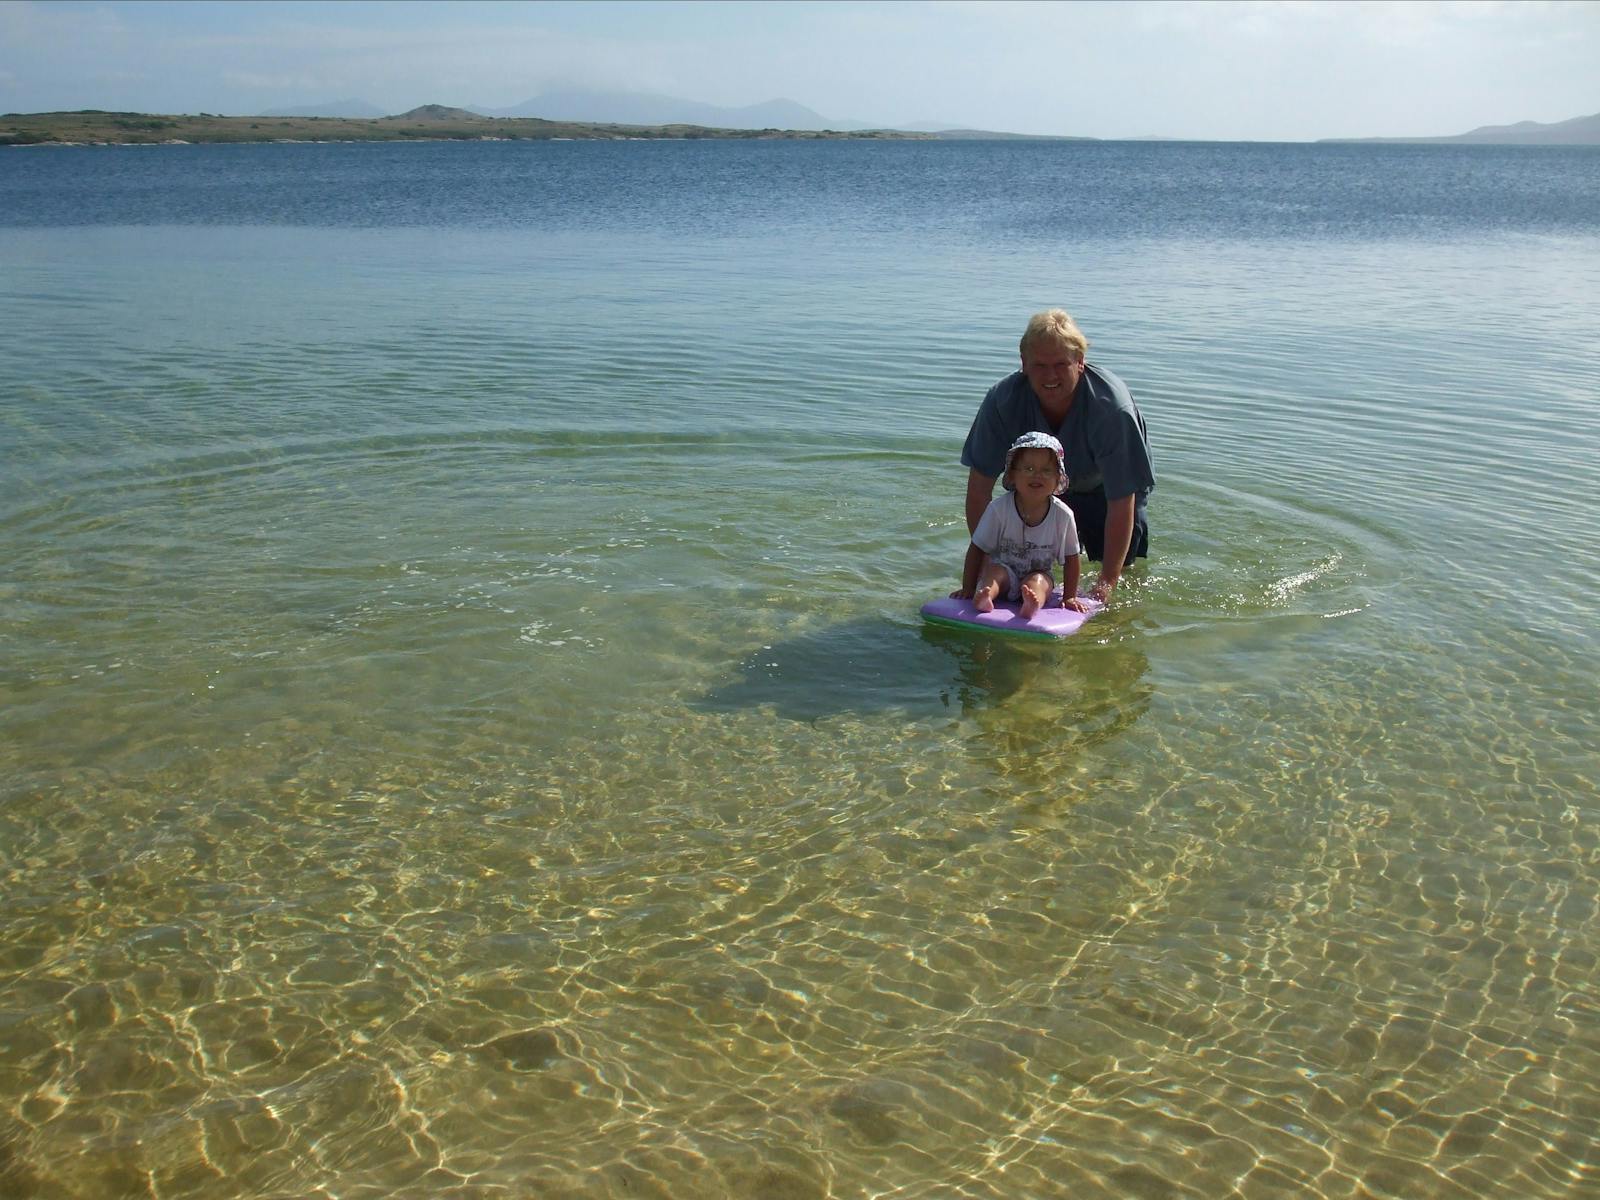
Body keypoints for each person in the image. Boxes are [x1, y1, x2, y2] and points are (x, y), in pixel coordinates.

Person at [961, 310, 1154, 602]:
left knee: (1120, 576)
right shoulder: (1002, 401)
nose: (1050, 376)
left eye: (1061, 364)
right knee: (1022, 563)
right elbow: (979, 487)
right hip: (1038, 485)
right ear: (1023, 363)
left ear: (1080, 362)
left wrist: (1107, 583)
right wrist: (988, 562)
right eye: (1039, 365)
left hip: (1107, 491)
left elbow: (1122, 499)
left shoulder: (1112, 409)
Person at [957, 432, 1090, 618]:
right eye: (1028, 469)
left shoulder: (1063, 515)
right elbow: (977, 548)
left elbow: (1071, 558)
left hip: (1039, 572)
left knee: (1039, 582)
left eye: (1046, 470)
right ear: (1012, 475)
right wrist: (968, 588)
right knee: (995, 572)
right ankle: (986, 595)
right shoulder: (998, 509)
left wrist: (1069, 597)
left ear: (1058, 478)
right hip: (1004, 570)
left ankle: (1032, 603)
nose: (1037, 475)